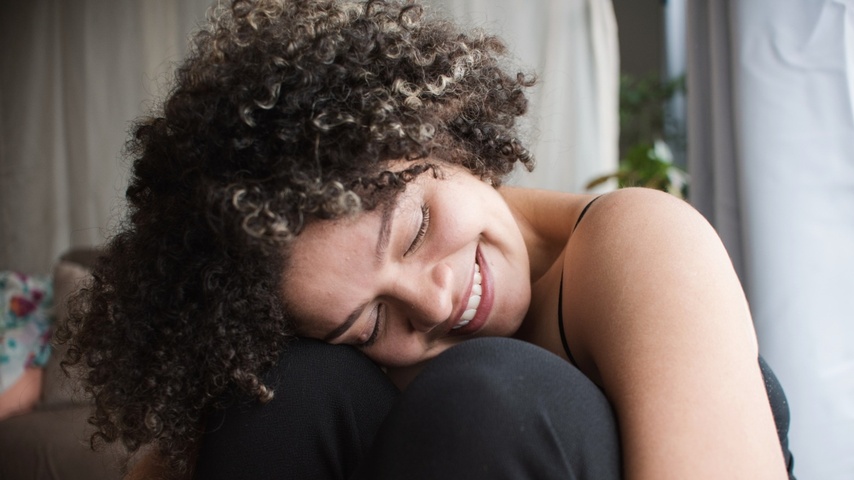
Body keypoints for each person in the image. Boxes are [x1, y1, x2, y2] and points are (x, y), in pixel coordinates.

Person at [60, 0, 795, 478]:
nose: (437, 301)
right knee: (281, 396)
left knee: (484, 393)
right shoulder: (337, 350)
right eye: (370, 322)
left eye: (412, 230)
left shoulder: (641, 243)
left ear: (433, 131)